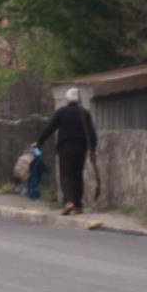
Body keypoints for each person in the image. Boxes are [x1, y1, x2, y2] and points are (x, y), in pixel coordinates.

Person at [35, 88, 98, 216]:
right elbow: (92, 134)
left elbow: (49, 128)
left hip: (65, 148)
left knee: (66, 175)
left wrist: (39, 142)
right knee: (77, 175)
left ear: (67, 99)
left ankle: (68, 202)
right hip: (81, 149)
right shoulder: (84, 113)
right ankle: (78, 205)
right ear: (79, 100)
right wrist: (92, 149)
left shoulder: (61, 112)